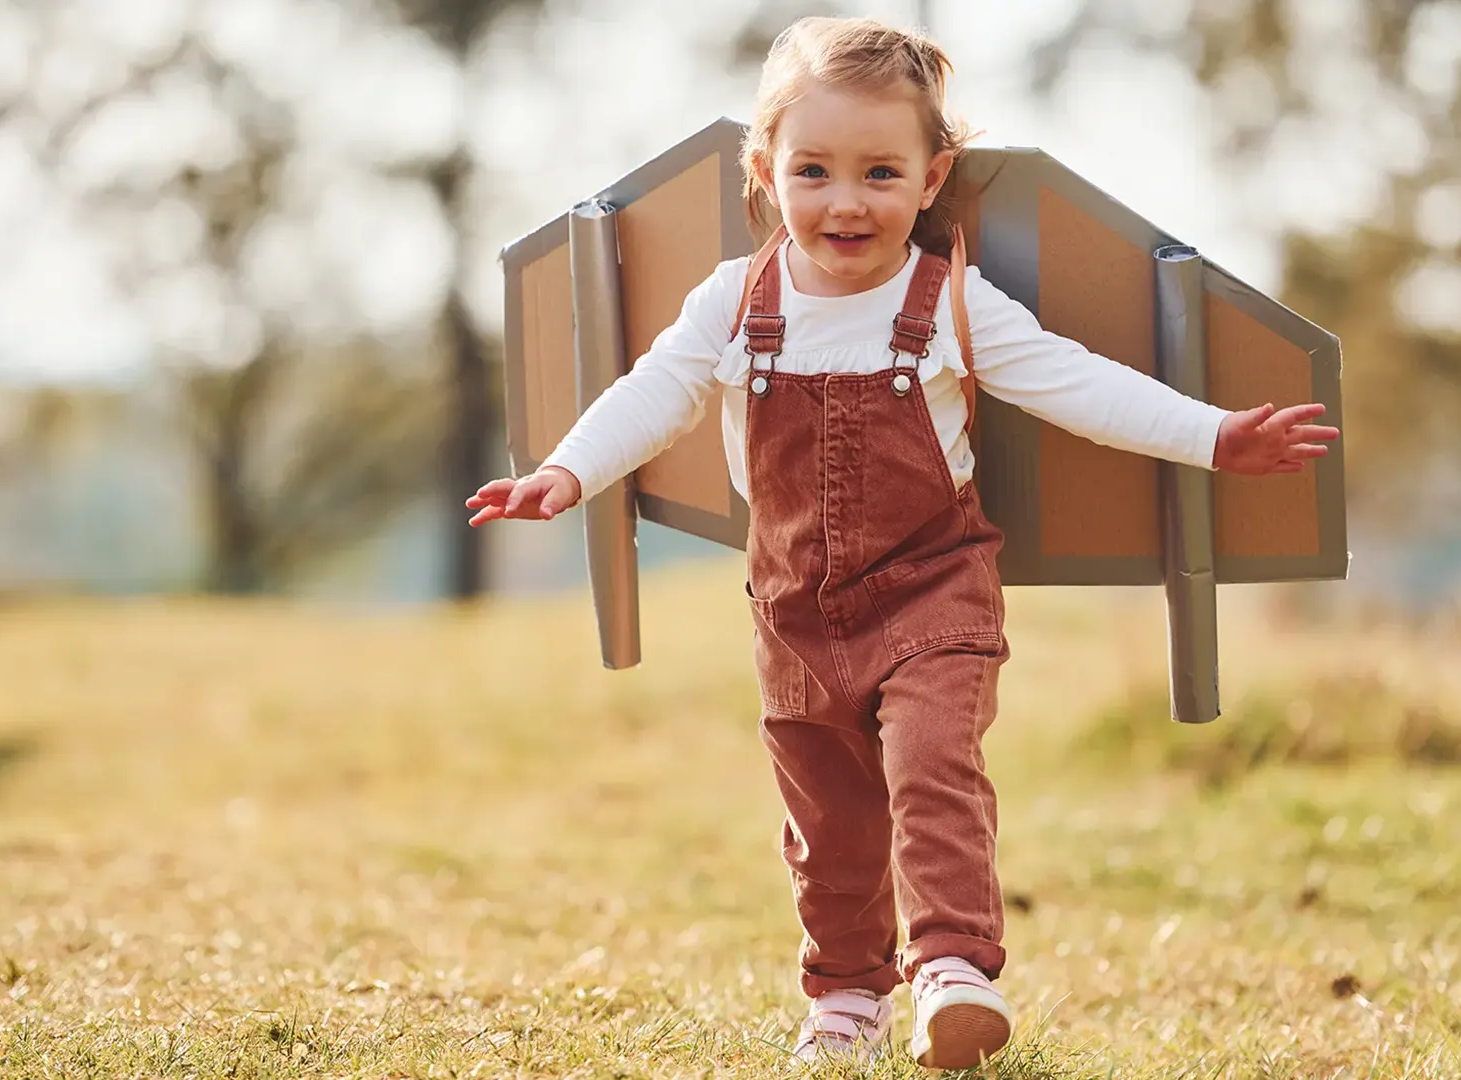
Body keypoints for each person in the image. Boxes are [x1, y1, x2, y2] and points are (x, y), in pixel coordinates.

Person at [466, 14, 1338, 1069]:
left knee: (932, 767)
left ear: (933, 179)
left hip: (933, 593)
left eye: (881, 171)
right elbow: (654, 393)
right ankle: (843, 996)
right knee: (827, 823)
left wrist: (1213, 436)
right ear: (766, 173)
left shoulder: (950, 302)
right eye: (815, 171)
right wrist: (565, 471)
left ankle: (953, 973)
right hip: (793, 612)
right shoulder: (732, 303)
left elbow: (1078, 383)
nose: (846, 201)